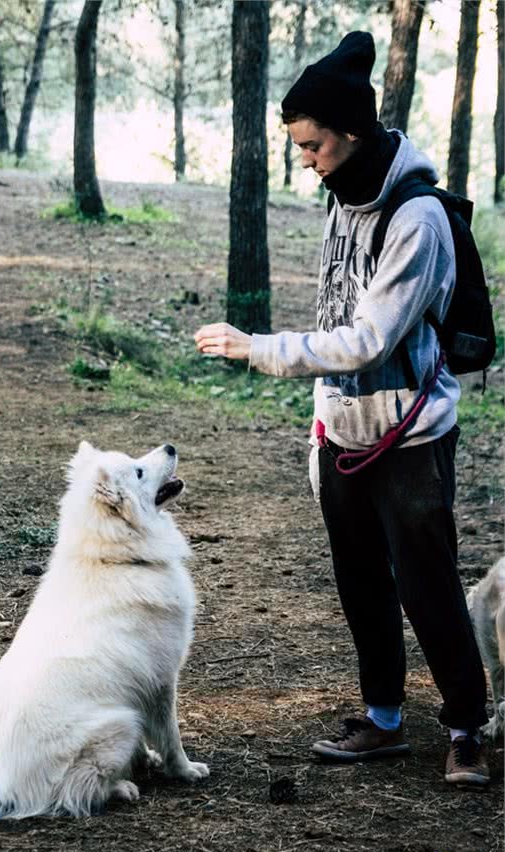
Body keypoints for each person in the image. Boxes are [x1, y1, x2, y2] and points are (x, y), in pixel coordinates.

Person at [194, 32, 490, 787]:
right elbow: (332, 314)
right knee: (361, 580)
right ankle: (384, 720)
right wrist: (321, 430)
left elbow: (366, 339)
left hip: (413, 436)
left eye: (314, 145)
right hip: (344, 436)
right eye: (299, 145)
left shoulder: (417, 220)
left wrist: (256, 348)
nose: (305, 159)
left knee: (427, 586)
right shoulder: (343, 195)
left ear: (352, 134)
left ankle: (466, 728)